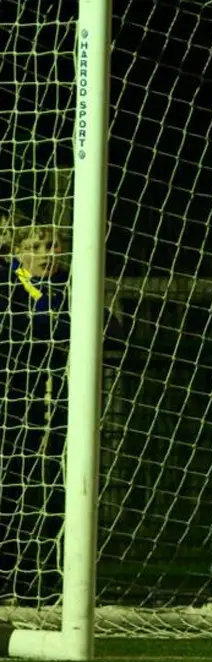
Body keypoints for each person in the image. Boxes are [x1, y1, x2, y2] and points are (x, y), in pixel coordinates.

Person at [0, 215, 69, 607]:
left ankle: (36, 577)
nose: (47, 254)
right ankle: (10, 575)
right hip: (13, 405)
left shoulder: (71, 285)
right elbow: (33, 331)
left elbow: (109, 324)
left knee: (47, 493)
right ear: (17, 250)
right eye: (37, 247)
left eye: (53, 246)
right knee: (10, 490)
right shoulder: (9, 284)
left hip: (53, 408)